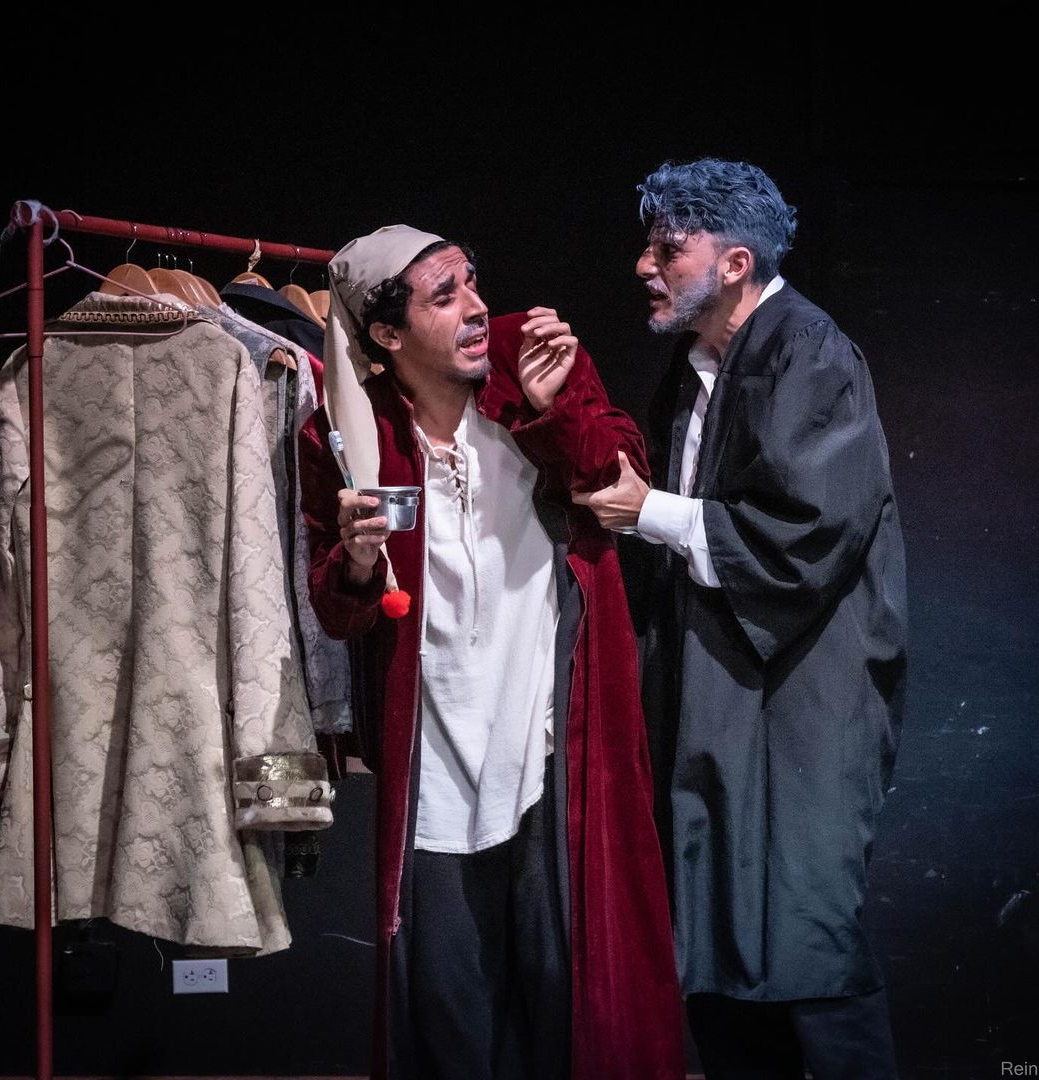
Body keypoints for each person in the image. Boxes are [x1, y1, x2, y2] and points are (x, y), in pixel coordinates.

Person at [298, 225, 684, 1080]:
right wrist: (357, 561)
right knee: (449, 998)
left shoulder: (525, 358)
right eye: (446, 297)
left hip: (546, 735)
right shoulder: (343, 435)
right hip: (436, 754)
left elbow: (621, 479)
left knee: (562, 981)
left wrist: (553, 410)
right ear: (387, 334)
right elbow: (336, 612)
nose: (476, 307)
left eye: (472, 282)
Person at [573, 160, 908, 1079]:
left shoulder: (811, 353)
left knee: (807, 942)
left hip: (804, 701)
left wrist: (649, 512)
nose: (644, 266)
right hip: (713, 696)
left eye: (667, 249)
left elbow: (808, 532)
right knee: (709, 940)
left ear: (733, 263)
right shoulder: (694, 370)